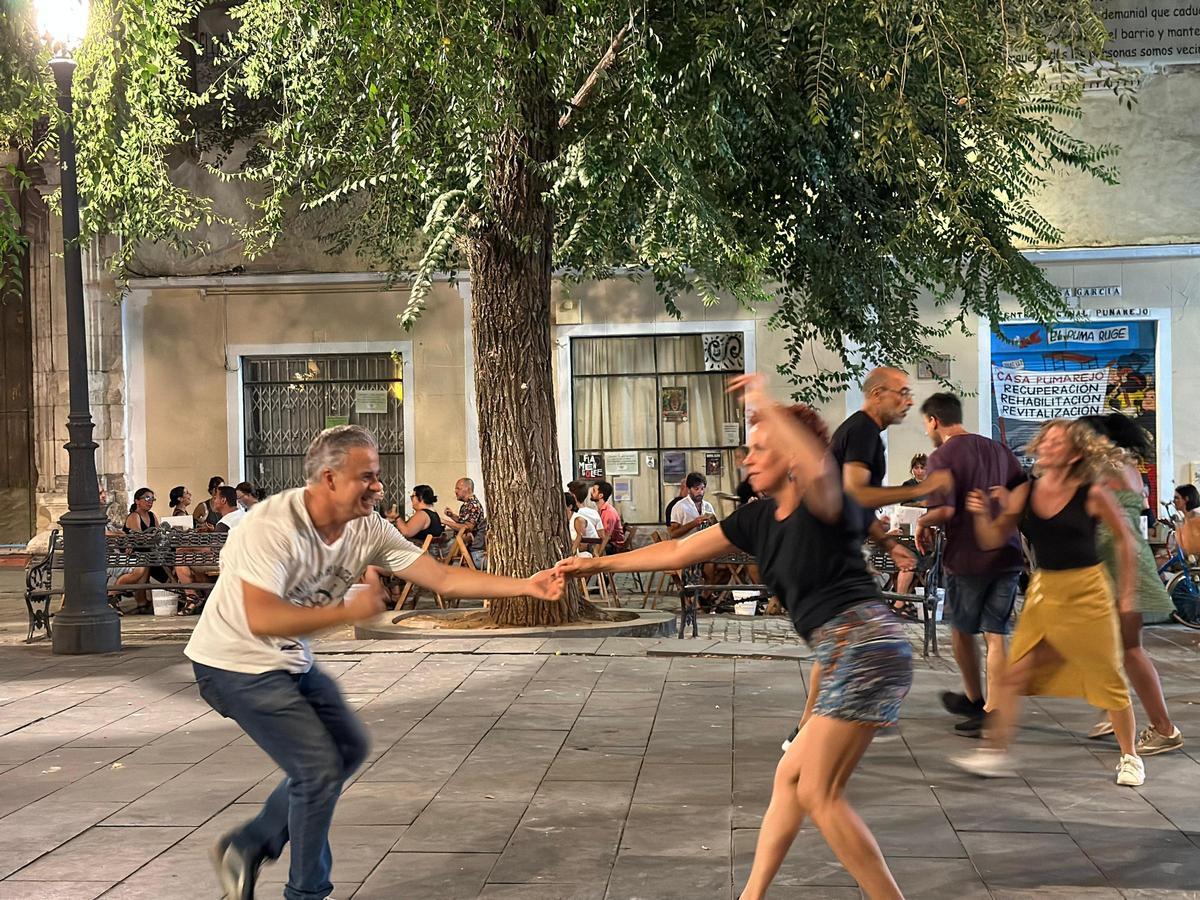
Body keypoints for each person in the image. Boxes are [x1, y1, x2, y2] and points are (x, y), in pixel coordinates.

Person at [559, 376, 912, 900]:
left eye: (759, 448)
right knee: (792, 779)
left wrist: (766, 405)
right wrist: (595, 563)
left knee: (820, 792)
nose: (747, 459)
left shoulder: (823, 500)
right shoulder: (758, 518)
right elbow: (678, 553)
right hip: (843, 655)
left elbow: (817, 464)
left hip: (866, 649)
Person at [186, 425, 564, 900]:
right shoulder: (271, 526)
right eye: (367, 476)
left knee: (347, 749)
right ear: (328, 478)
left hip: (287, 662)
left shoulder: (369, 528)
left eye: (378, 475)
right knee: (318, 769)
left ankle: (246, 844)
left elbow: (442, 578)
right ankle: (306, 893)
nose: (378, 486)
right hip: (232, 664)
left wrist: (526, 586)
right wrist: (348, 611)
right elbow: (263, 618)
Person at [951, 419, 1146, 787]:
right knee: (1014, 675)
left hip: (1088, 593)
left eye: (1059, 442)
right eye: (1047, 440)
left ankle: (1130, 756)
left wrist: (1127, 595)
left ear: (1074, 454)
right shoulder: (1026, 492)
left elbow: (1126, 540)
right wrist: (980, 515)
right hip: (1045, 594)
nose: (1049, 445)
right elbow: (993, 539)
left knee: (1108, 676)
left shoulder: (1091, 493)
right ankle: (993, 752)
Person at [914, 393, 1027, 735]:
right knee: (996, 634)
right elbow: (1022, 490)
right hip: (1007, 552)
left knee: (963, 629)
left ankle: (978, 700)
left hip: (967, 556)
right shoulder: (999, 450)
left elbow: (945, 511)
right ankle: (990, 705)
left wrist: (921, 522)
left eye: (925, 424)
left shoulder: (942, 456)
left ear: (934, 420)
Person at [1078, 414, 1182, 755]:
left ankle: (1163, 728)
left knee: (1130, 650)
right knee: (1111, 648)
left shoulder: (1107, 467)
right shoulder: (1126, 466)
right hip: (1121, 561)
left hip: (1120, 564)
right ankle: (1114, 709)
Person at [444, 477, 488, 568]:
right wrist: (452, 516)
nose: (455, 491)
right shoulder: (467, 505)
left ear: (467, 489)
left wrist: (445, 522)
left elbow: (467, 527)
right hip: (467, 550)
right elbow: (464, 522)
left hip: (473, 552)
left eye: (458, 488)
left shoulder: (473, 505)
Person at [668, 472, 718, 538]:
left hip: (705, 544)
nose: (700, 492)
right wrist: (694, 523)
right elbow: (672, 534)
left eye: (702, 488)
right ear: (689, 489)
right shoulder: (680, 506)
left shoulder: (708, 506)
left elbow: (716, 529)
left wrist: (714, 521)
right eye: (696, 489)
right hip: (687, 546)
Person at [590, 480, 627, 550]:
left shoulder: (609, 512)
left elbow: (606, 536)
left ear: (601, 495)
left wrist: (598, 554)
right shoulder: (601, 509)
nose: (591, 492)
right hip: (608, 541)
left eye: (594, 491)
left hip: (614, 546)